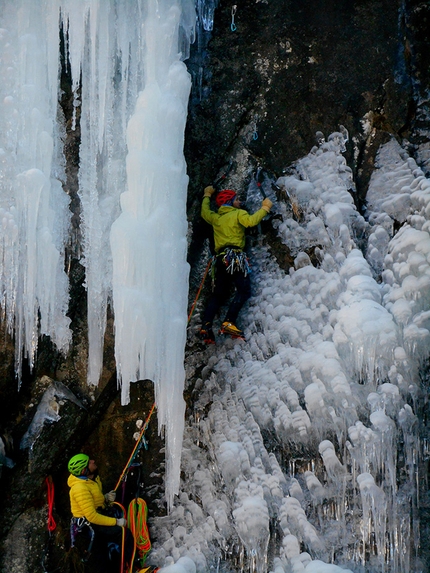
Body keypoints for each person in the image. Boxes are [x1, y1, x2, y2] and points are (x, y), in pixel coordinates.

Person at [200, 186, 272, 342]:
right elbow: (251, 221)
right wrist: (265, 207)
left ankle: (206, 326)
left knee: (218, 295)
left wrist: (207, 195)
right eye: (237, 200)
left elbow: (204, 212)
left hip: (219, 259)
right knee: (244, 291)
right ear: (230, 202)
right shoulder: (238, 214)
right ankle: (229, 321)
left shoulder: (216, 218)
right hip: (235, 257)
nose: (239, 202)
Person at [67, 453, 134, 572]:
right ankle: (123, 568)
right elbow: (92, 516)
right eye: (89, 462)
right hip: (89, 527)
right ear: (84, 470)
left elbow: (94, 501)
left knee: (104, 554)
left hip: (96, 521)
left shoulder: (92, 480)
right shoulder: (80, 488)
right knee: (123, 535)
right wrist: (116, 522)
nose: (93, 461)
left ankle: (119, 567)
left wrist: (106, 499)